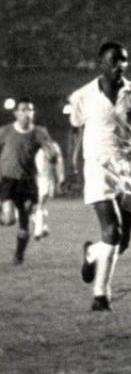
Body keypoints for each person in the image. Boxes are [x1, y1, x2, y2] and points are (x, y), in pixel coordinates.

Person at [68, 41, 131, 311]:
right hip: (98, 164)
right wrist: (74, 163)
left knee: (121, 242)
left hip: (130, 168)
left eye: (124, 60)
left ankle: (93, 252)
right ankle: (101, 294)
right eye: (114, 60)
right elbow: (76, 131)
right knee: (112, 230)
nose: (120, 65)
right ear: (101, 63)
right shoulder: (82, 96)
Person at [0, 98, 63, 264]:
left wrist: (52, 155)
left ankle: (19, 255)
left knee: (24, 220)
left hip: (28, 182)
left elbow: (52, 152)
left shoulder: (39, 132)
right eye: (23, 110)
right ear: (16, 113)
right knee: (9, 219)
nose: (27, 113)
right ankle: (5, 218)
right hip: (8, 180)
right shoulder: (5, 131)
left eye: (30, 110)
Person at [32, 136, 66, 240]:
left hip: (46, 180)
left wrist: (61, 178)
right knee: (36, 207)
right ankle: (41, 229)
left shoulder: (53, 147)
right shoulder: (35, 147)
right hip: (37, 180)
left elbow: (59, 163)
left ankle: (39, 229)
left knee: (39, 205)